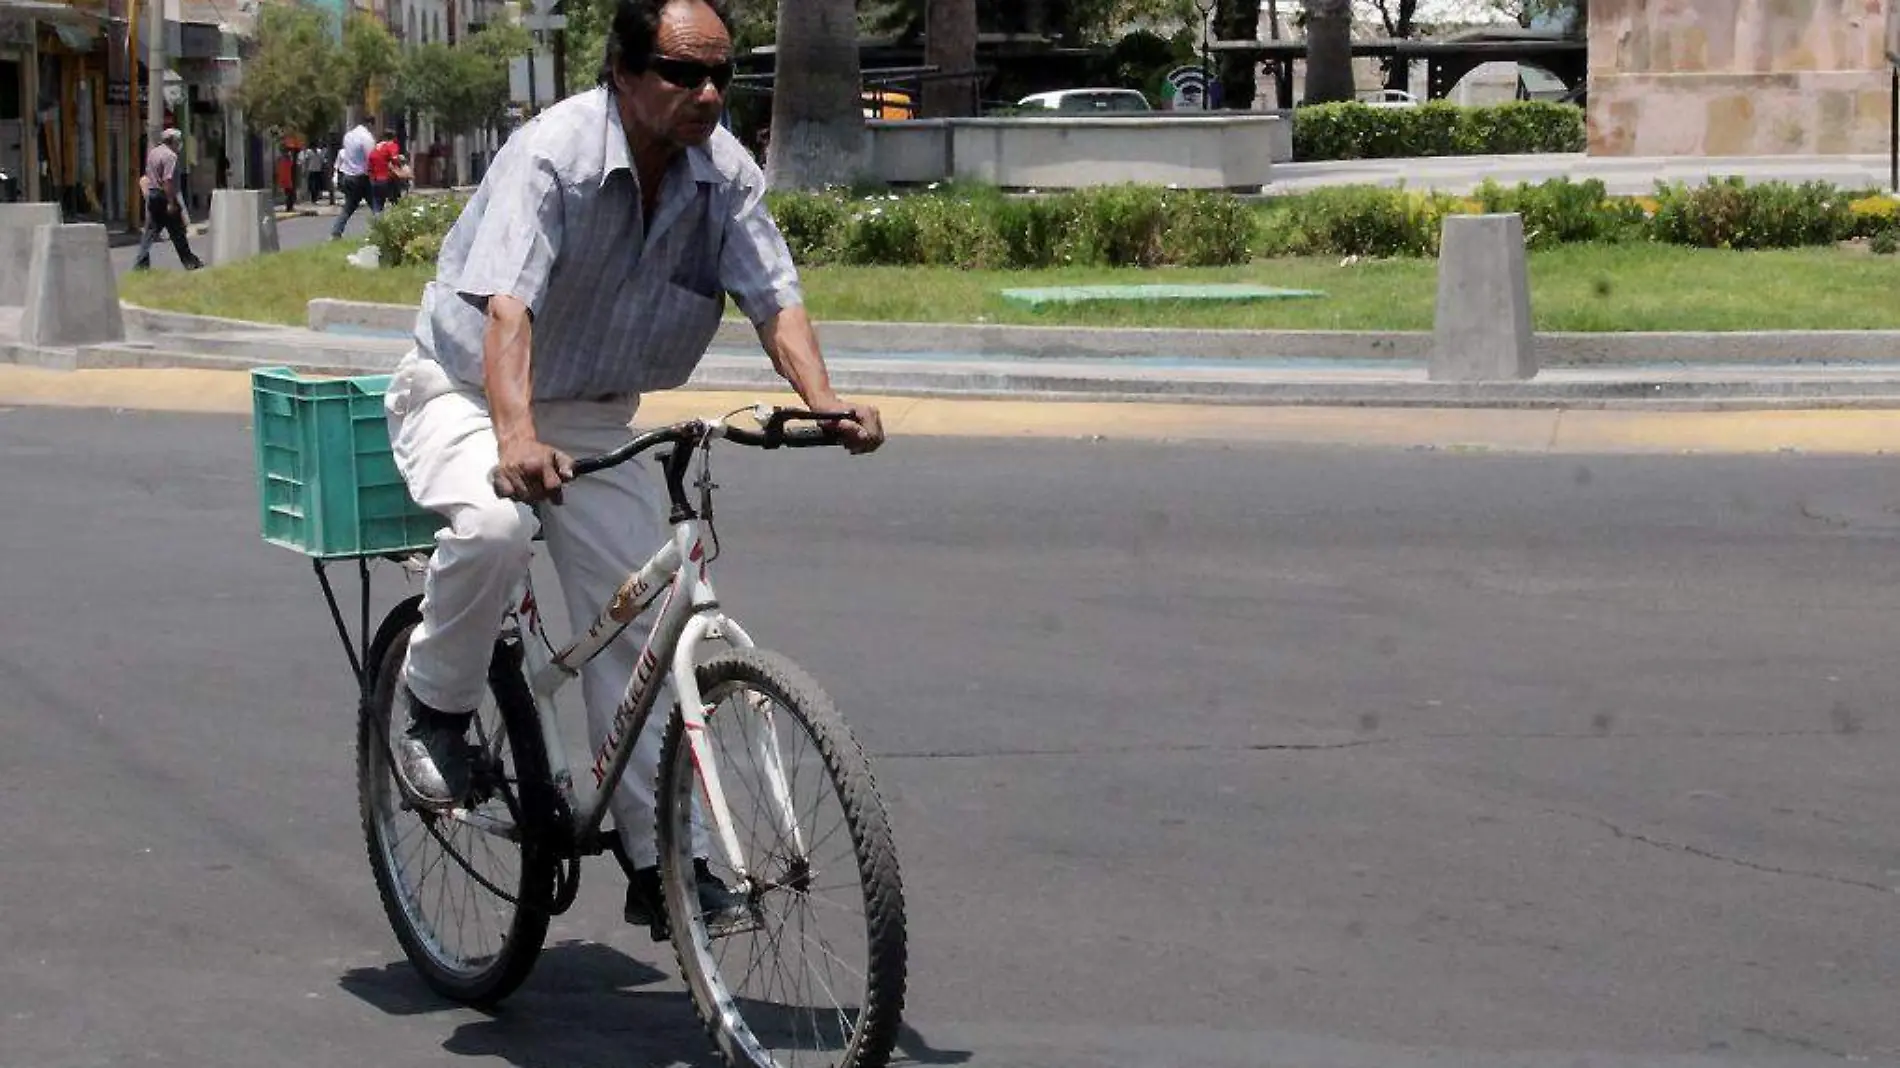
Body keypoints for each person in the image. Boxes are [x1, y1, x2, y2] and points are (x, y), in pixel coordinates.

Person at [381, 0, 885, 934]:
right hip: (464, 389)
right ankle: (433, 714)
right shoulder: (552, 156)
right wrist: (517, 438)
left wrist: (824, 401)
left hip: (595, 414)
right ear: (621, 70)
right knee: (494, 528)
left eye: (721, 76)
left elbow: (774, 297)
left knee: (643, 633)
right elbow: (507, 312)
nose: (705, 93)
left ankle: (664, 864)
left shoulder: (722, 173)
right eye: (682, 72)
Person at [132, 128, 202, 271]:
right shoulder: (170, 156)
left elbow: (147, 176)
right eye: (179, 141)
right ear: (173, 141)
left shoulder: (153, 153)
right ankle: (189, 261)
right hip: (164, 196)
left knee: (150, 232)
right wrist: (171, 202)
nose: (180, 145)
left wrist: (148, 196)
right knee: (177, 232)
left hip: (153, 194)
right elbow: (167, 181)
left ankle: (140, 263)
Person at [331, 119, 377, 239]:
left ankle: (336, 232)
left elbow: (346, 154)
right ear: (370, 124)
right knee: (376, 205)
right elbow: (371, 159)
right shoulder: (367, 138)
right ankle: (384, 230)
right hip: (362, 176)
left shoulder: (348, 136)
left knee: (349, 206)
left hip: (348, 176)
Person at [368, 130, 402, 212]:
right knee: (396, 201)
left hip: (375, 179)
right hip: (387, 178)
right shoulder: (392, 145)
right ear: (394, 138)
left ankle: (378, 220)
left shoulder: (377, 146)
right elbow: (395, 159)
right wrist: (400, 165)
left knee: (378, 203)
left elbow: (370, 160)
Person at [300, 142, 326, 206]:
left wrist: (323, 167)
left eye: (315, 146)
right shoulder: (309, 152)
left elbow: (322, 160)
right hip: (311, 170)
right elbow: (306, 160)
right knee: (311, 185)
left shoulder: (319, 152)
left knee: (317, 186)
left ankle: (315, 199)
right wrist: (304, 169)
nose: (315, 148)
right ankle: (312, 198)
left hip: (318, 171)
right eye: (313, 147)